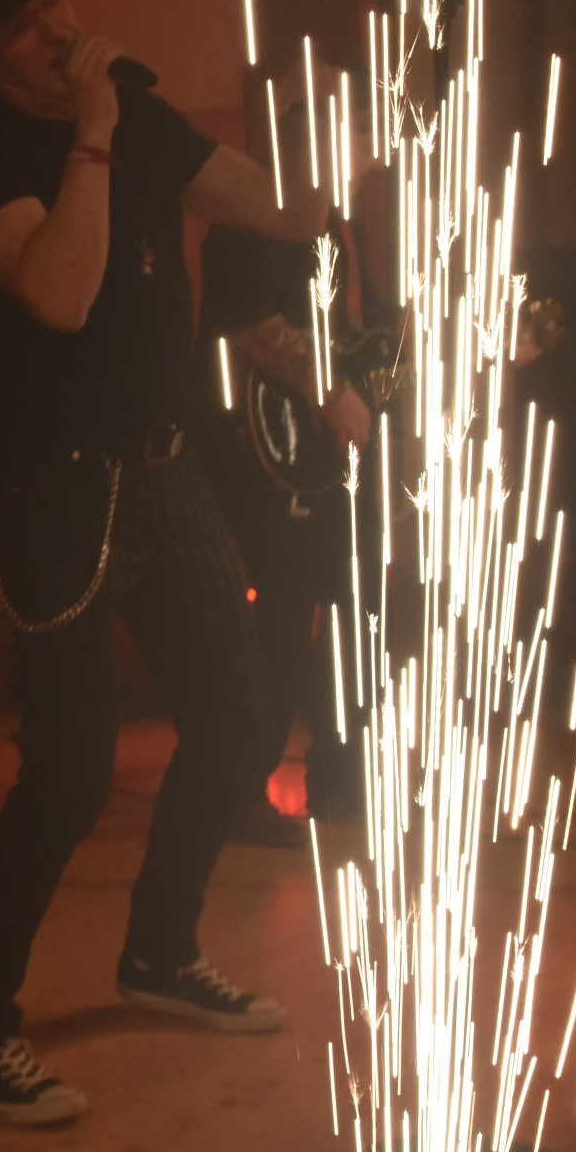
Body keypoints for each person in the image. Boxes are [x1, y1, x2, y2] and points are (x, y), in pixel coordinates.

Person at [0, 0, 335, 1125]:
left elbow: (274, 208)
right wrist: (91, 136)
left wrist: (342, 165)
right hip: (51, 484)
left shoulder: (136, 111)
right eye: (24, 26)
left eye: (56, 4)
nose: (59, 32)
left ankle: (159, 950)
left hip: (166, 463)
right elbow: (60, 292)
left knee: (239, 718)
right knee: (68, 770)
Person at [195, 197, 378, 837]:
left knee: (354, 601)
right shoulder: (254, 211)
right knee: (284, 612)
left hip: (314, 457)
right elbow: (247, 320)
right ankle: (239, 784)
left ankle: (342, 774)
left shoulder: (335, 221)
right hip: (263, 448)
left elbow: (355, 335)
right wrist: (329, 390)